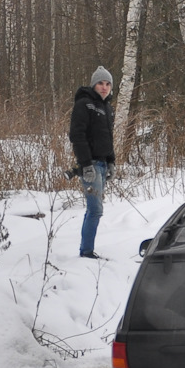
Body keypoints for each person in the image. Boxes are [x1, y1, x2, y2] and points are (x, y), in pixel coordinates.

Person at [69, 66, 116, 258]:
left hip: (103, 164)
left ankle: (87, 248)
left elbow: (108, 138)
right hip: (91, 165)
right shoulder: (85, 104)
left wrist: (111, 161)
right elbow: (77, 136)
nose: (104, 88)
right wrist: (86, 164)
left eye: (107, 84)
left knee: (95, 209)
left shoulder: (107, 107)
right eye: (100, 83)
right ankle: (86, 252)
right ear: (93, 85)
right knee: (95, 210)